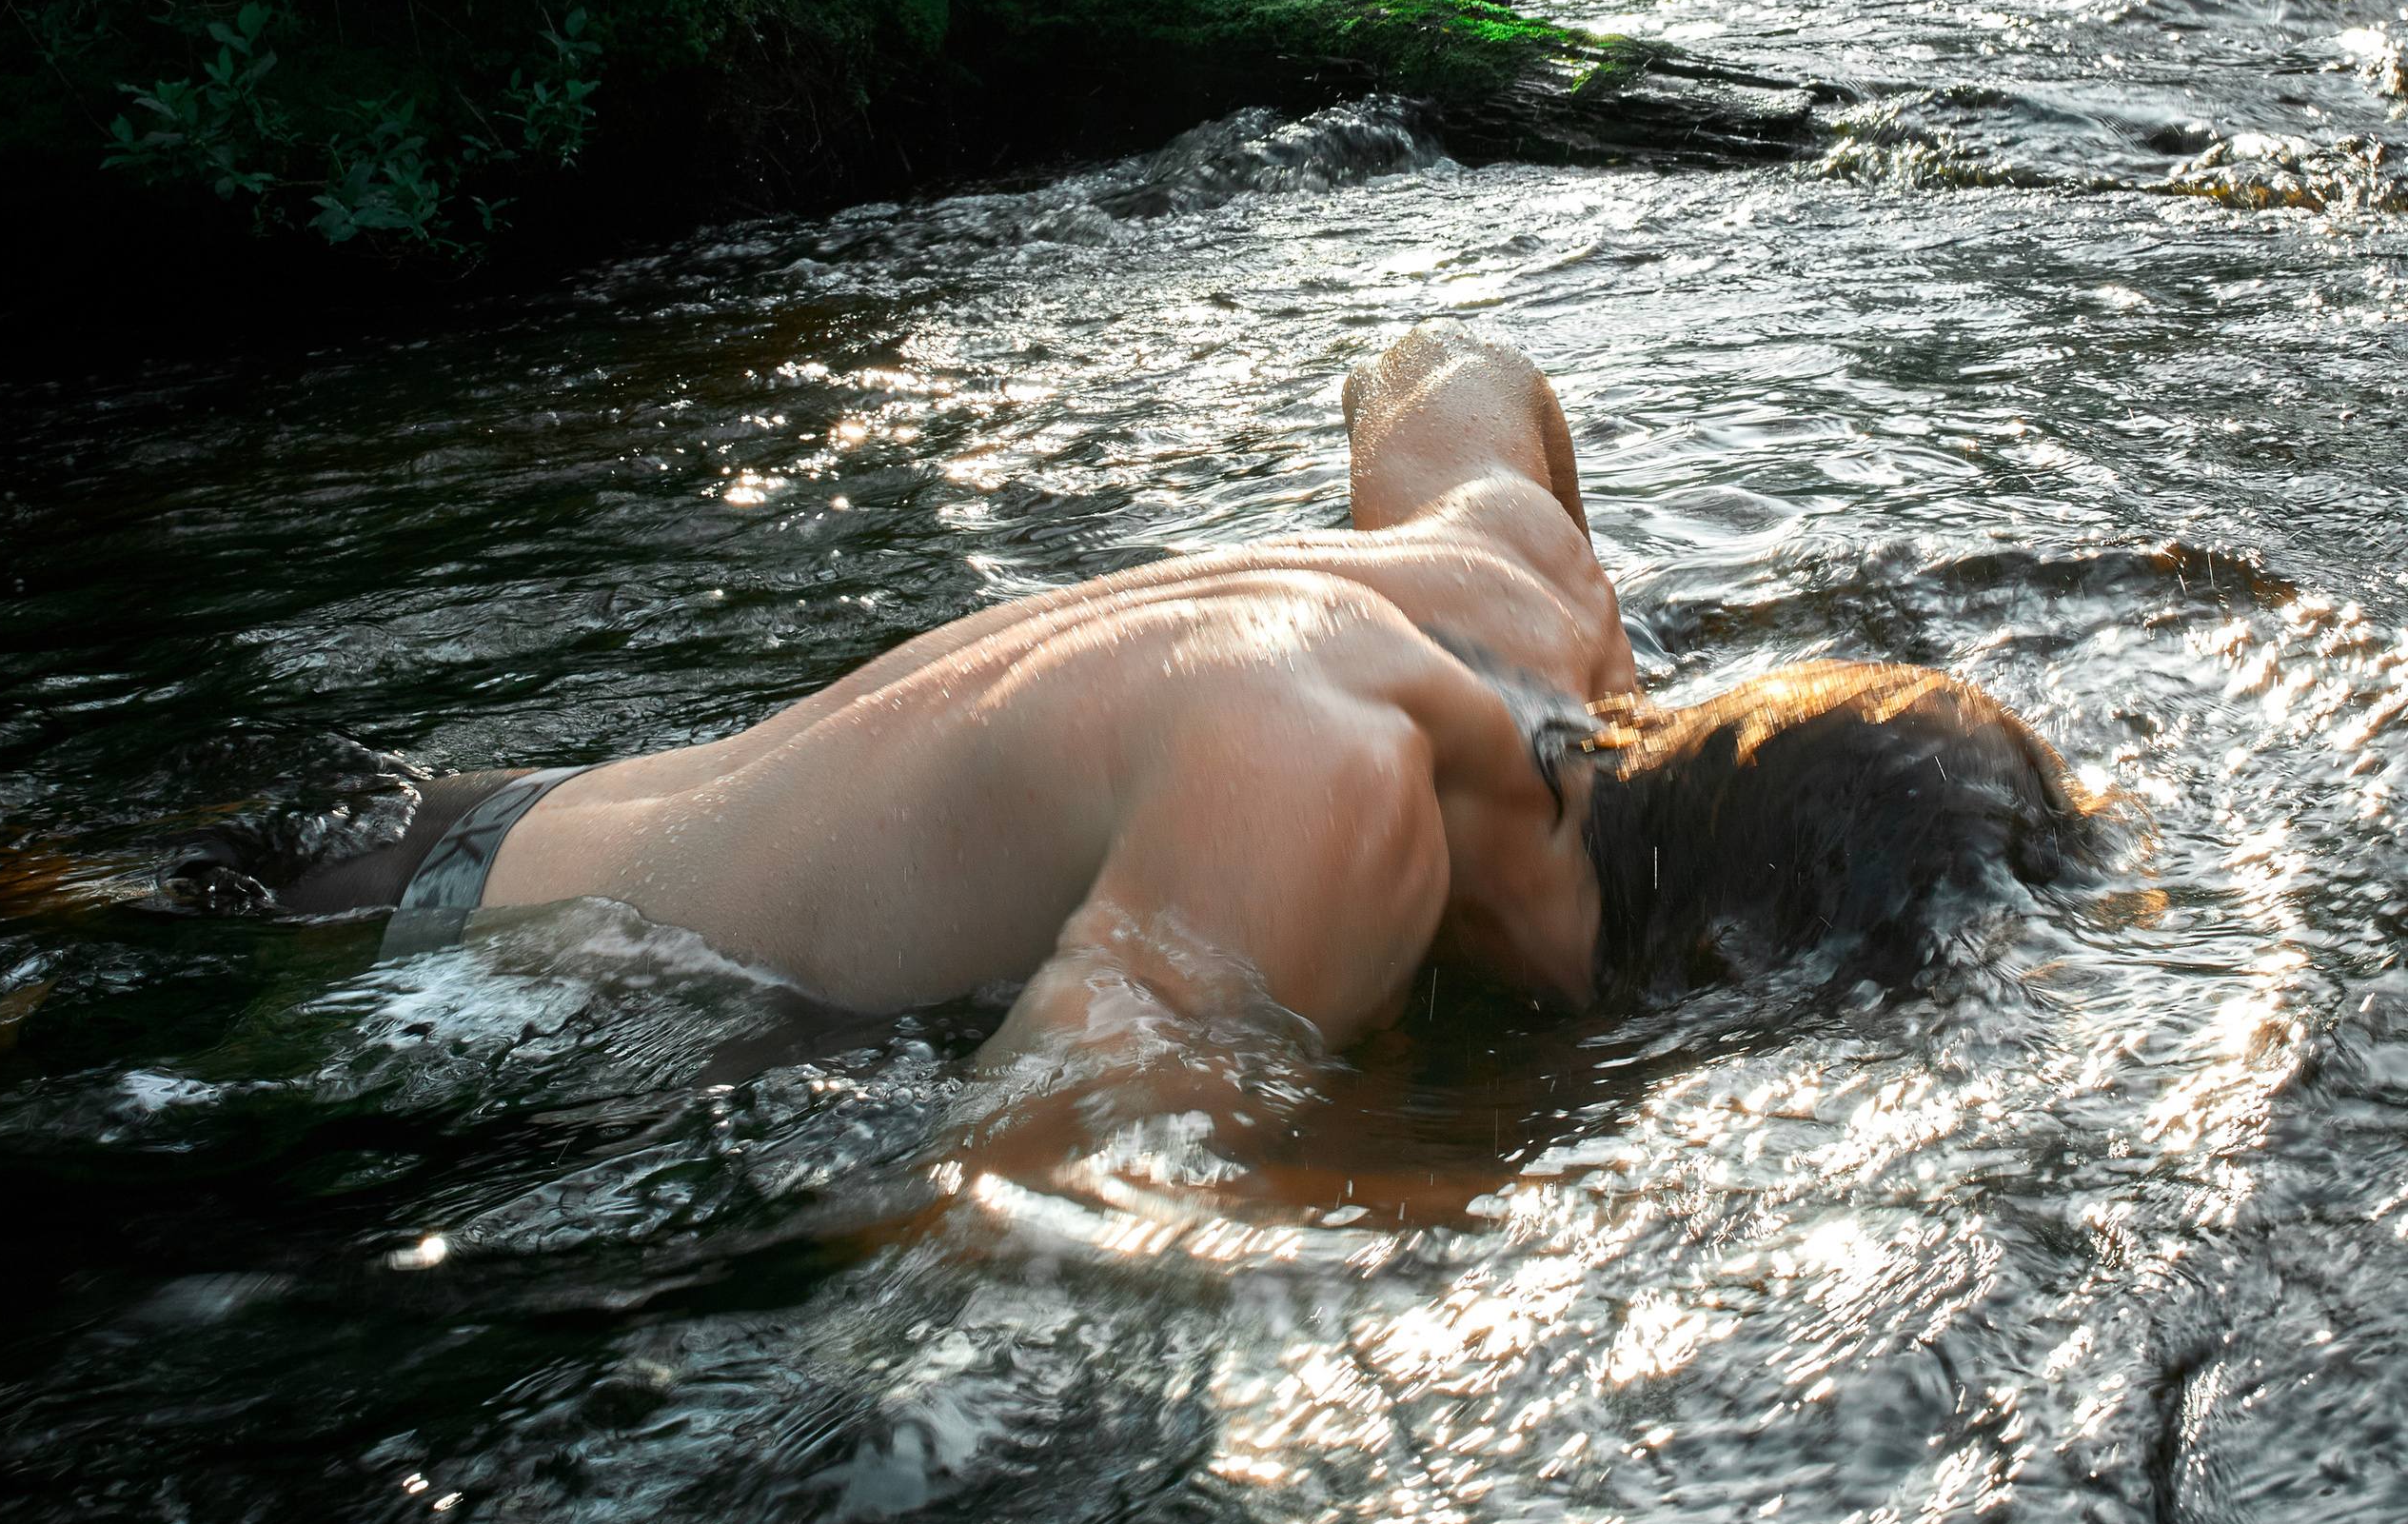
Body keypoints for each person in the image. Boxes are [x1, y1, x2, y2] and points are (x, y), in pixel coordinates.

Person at [273, 324, 2095, 1054]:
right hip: (387, 969)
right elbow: (1013, 1230)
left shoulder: (1524, 575)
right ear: (1696, 970)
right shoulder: (1328, 807)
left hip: (450, 815)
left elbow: (1441, 360)